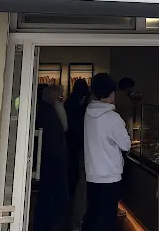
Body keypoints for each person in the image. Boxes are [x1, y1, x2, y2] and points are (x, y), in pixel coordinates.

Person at [82, 73, 131, 231]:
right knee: (108, 218)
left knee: (93, 214)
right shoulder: (113, 118)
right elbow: (126, 145)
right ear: (112, 93)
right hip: (110, 177)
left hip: (92, 174)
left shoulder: (88, 114)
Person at [34, 84, 70, 231]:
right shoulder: (51, 114)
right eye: (61, 96)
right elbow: (54, 141)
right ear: (54, 97)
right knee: (52, 198)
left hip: (48, 161)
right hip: (53, 161)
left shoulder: (44, 111)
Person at [65, 78, 91, 231]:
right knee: (82, 177)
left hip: (71, 141)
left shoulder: (69, 101)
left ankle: (71, 193)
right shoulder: (83, 104)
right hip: (81, 142)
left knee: (74, 172)